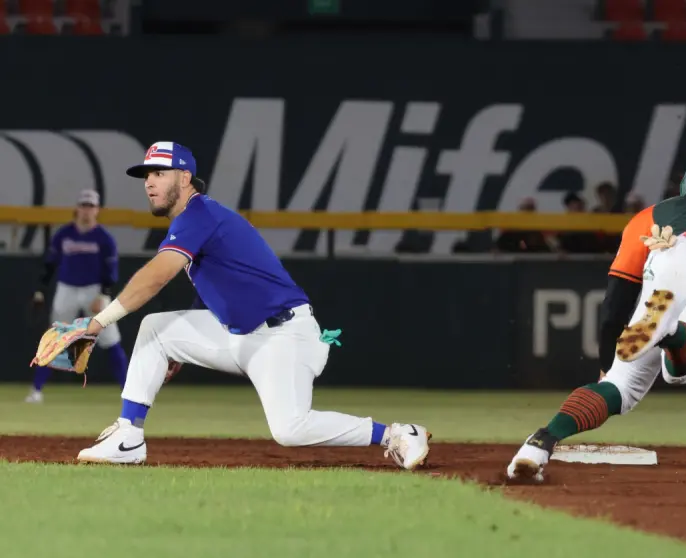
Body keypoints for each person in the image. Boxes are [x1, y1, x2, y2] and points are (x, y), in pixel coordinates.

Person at [74, 141, 431, 469]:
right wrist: (178, 348)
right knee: (156, 330)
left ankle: (397, 434)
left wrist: (98, 322)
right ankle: (128, 436)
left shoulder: (200, 214)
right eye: (146, 175)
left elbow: (155, 276)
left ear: (184, 178)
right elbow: (214, 287)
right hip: (240, 335)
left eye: (159, 173)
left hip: (283, 335)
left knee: (290, 429)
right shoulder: (193, 220)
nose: (149, 182)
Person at [507, 148, 686, 481]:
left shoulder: (655, 213)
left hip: (674, 248)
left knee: (620, 387)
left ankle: (539, 444)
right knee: (680, 370)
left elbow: (615, 304)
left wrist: (607, 370)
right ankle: (672, 332)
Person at [27, 189, 128, 403]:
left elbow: (111, 271)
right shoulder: (64, 234)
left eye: (91, 206)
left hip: (95, 291)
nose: (86, 210)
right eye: (83, 205)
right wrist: (40, 290)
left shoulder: (104, 238)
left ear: (97, 210)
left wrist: (103, 294)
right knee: (54, 339)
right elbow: (49, 264)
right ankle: (36, 390)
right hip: (67, 289)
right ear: (77, 208)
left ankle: (129, 392)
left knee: (111, 340)